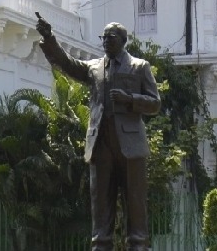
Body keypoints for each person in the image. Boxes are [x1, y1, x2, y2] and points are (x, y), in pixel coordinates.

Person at [35, 14, 160, 251]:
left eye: (111, 37)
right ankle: (100, 246)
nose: (105, 41)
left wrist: (130, 99)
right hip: (100, 143)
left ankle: (139, 246)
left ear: (123, 40)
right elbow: (67, 63)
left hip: (130, 146)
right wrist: (49, 38)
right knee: (100, 204)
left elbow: (155, 103)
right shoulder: (93, 68)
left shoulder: (139, 67)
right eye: (103, 37)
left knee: (135, 203)